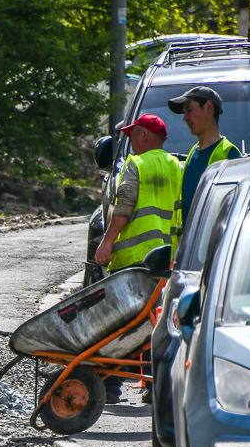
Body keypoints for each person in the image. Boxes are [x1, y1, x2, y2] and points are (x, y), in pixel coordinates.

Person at [94, 113, 182, 403]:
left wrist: (107, 243)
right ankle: (155, 386)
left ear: (144, 135)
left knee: (124, 325)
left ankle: (110, 385)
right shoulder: (176, 166)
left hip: (134, 257)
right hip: (164, 259)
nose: (130, 140)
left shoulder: (137, 164)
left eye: (133, 134)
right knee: (155, 323)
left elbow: (125, 206)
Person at [169, 86, 241, 224]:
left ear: (208, 107)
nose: (185, 118)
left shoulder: (229, 153)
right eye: (184, 113)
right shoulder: (192, 154)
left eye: (189, 110)